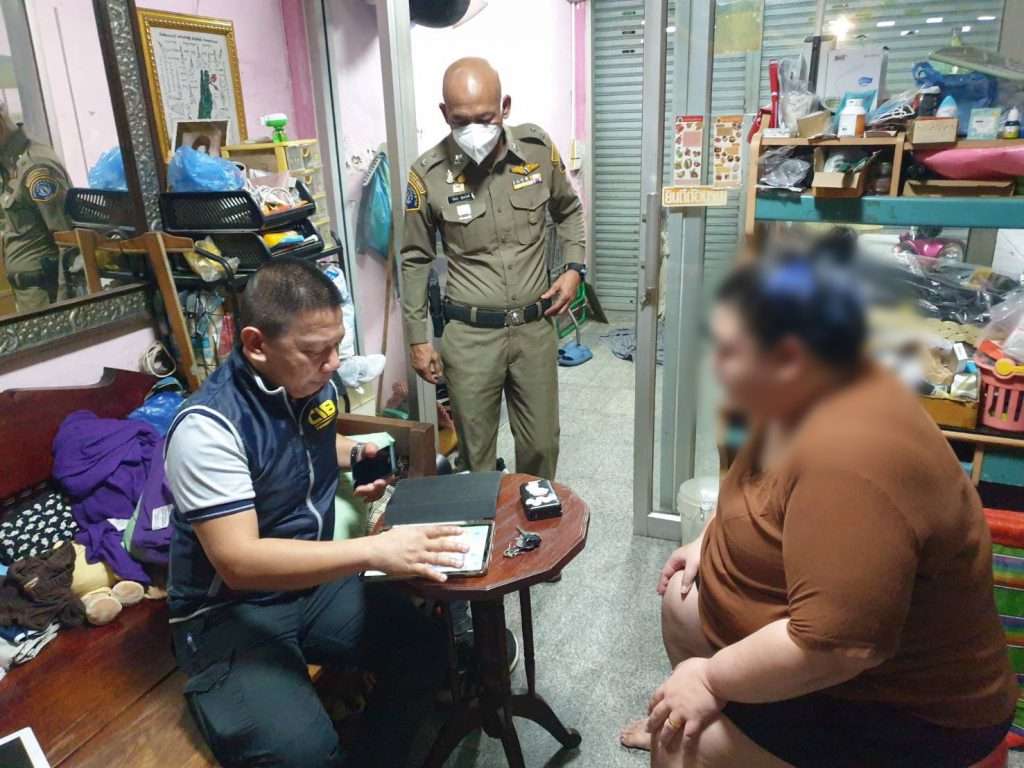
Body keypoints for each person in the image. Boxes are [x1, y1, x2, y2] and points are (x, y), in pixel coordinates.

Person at [623, 239, 1017, 768]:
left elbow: (841, 648)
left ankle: (700, 725)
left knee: (679, 750)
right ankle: (699, 711)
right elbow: (749, 483)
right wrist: (709, 537)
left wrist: (711, 679)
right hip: (829, 649)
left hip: (901, 706)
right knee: (684, 598)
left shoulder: (852, 454)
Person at [164, 258, 469, 768]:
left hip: (307, 587)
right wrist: (373, 550)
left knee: (426, 647)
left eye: (336, 346)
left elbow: (315, 443)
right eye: (314, 351)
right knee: (303, 753)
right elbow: (239, 561)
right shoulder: (208, 429)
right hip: (229, 613)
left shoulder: (310, 386)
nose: (332, 364)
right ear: (256, 344)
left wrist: (361, 458)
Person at [401, 57, 586, 480]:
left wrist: (575, 267)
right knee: (476, 455)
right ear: (445, 114)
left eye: (485, 118)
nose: (474, 129)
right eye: (461, 120)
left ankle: (532, 520)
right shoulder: (428, 174)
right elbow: (414, 258)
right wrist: (417, 338)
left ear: (505, 107)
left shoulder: (537, 150)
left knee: (541, 446)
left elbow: (568, 209)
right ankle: (484, 522)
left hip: (534, 330)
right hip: (470, 337)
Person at [0, 105, 74, 312]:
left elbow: (67, 239)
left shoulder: (36, 167)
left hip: (46, 295)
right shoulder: (11, 165)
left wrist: (65, 302)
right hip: (28, 293)